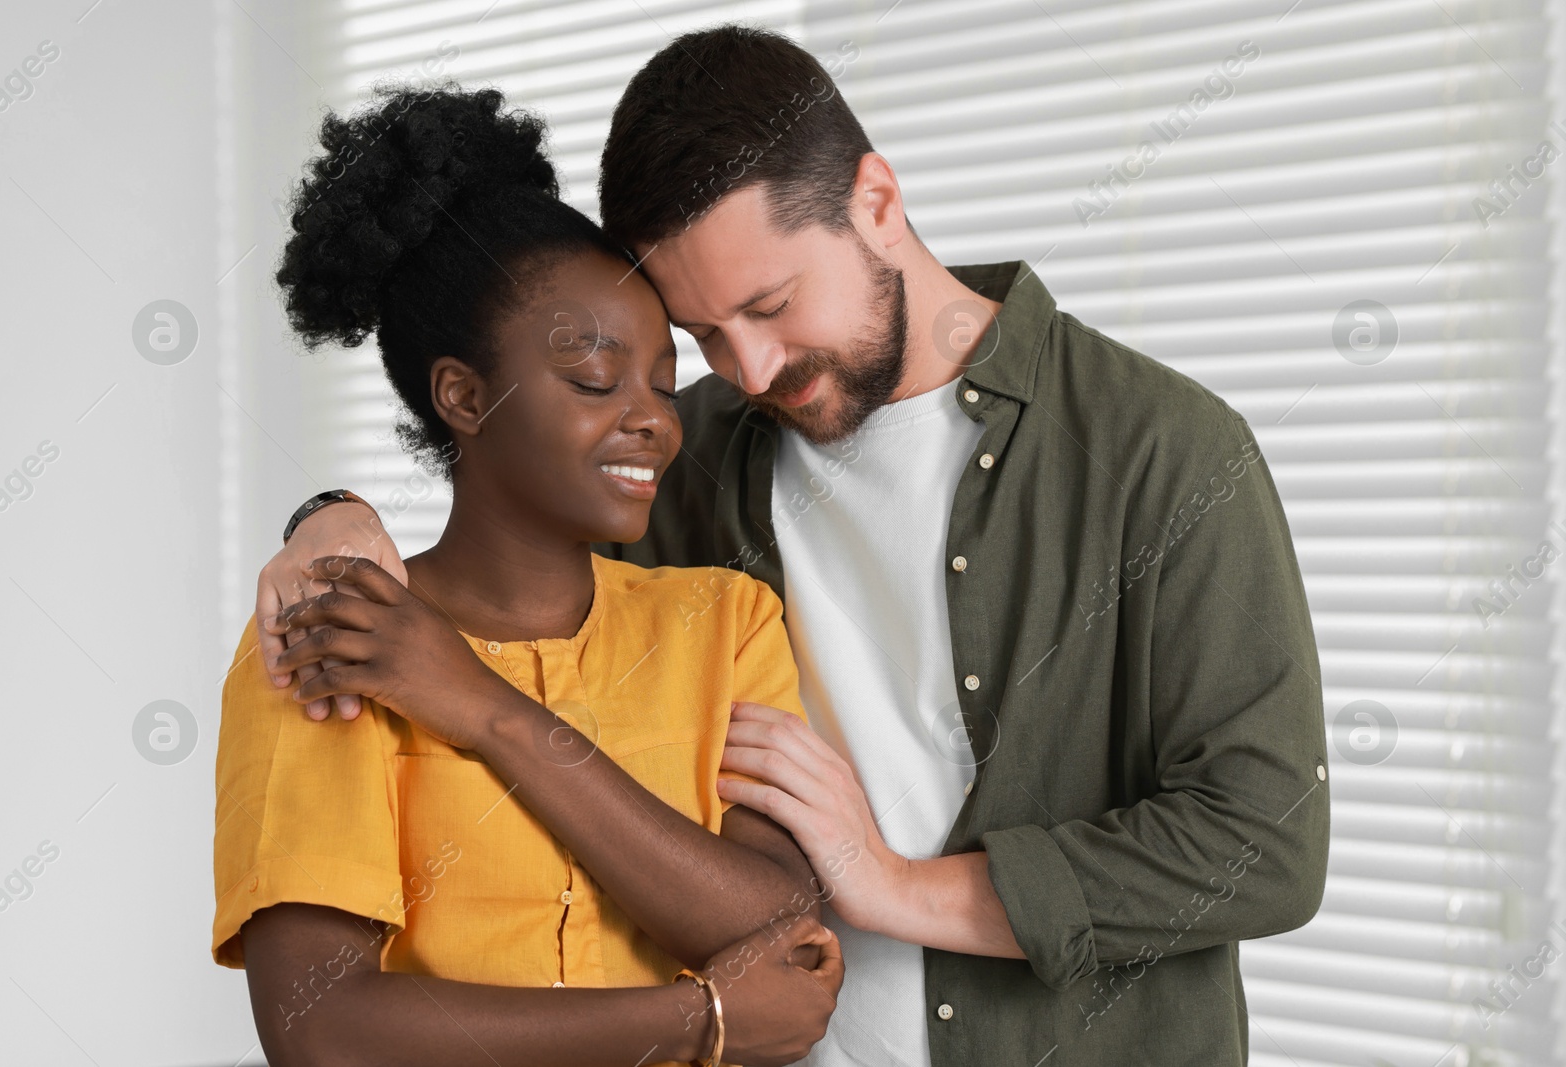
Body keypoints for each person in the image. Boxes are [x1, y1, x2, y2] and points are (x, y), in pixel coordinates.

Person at [260, 25, 1330, 1067]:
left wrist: (891, 882)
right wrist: (331, 510)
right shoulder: (697, 455)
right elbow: (507, 498)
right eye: (705, 334)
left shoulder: (1160, 450)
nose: (749, 366)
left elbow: (1264, 841)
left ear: (875, 201)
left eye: (769, 304)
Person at [212, 84, 847, 1067]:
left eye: (664, 385)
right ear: (464, 395)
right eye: (596, 381)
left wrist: (484, 707)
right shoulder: (326, 633)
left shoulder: (724, 623)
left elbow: (775, 918)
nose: (651, 418)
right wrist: (698, 1019)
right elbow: (323, 1029)